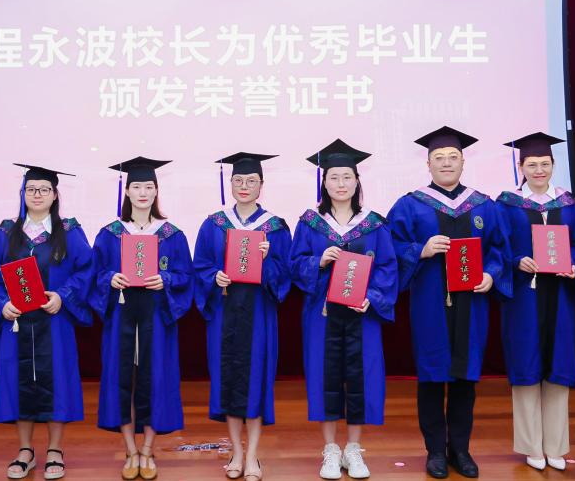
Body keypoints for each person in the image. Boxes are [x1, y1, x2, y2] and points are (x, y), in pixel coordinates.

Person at [386, 126, 511, 479]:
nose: (446, 163)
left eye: (452, 157)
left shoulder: (483, 205)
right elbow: (390, 247)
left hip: (472, 304)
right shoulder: (411, 204)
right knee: (431, 377)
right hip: (430, 304)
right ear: (427, 164)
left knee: (464, 379)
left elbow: (500, 249)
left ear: (463, 161)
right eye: (438, 158)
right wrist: (420, 250)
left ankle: (460, 450)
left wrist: (491, 274)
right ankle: (435, 452)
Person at [289, 139, 397, 480]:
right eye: (334, 177)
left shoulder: (374, 224)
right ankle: (331, 450)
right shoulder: (310, 222)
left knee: (361, 377)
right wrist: (318, 260)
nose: (340, 184)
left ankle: (353, 448)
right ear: (324, 182)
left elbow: (388, 267)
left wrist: (373, 297)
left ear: (356, 181)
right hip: (322, 315)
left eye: (347, 177)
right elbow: (294, 264)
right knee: (325, 377)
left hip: (361, 314)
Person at [0, 164, 95, 480]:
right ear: (23, 194)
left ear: (55, 195)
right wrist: (1, 304)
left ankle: (55, 450)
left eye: (44, 189)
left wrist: (63, 296)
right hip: (16, 323)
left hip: (54, 322)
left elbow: (86, 269)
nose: (37, 195)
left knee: (57, 381)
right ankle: (25, 451)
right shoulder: (6, 233)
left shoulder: (68, 232)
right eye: (31, 189)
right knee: (19, 382)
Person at [90, 157, 193, 480]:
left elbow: (186, 276)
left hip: (156, 316)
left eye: (149, 186)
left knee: (155, 380)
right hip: (121, 315)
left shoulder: (172, 235)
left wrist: (167, 279)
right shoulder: (109, 234)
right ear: (127, 191)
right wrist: (110, 278)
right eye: (137, 187)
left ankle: (147, 450)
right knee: (121, 380)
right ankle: (130, 451)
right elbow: (94, 274)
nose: (143, 192)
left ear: (157, 191)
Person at [495, 133, 575, 472]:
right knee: (526, 364)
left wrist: (574, 264)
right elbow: (498, 247)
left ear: (553, 165)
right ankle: (530, 445)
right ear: (520, 166)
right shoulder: (506, 205)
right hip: (524, 297)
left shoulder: (569, 204)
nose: (539, 170)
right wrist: (516, 261)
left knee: (558, 364)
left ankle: (556, 446)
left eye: (545, 164)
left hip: (560, 296)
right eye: (532, 164)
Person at [193, 152, 292, 481]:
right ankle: (236, 452)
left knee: (255, 381)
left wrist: (268, 260)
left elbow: (286, 274)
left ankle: (252, 456)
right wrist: (214, 277)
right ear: (230, 184)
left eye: (251, 181)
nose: (244, 186)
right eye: (238, 180)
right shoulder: (213, 224)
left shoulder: (276, 227)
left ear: (262, 185)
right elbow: (200, 266)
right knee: (227, 380)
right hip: (224, 313)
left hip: (259, 315)